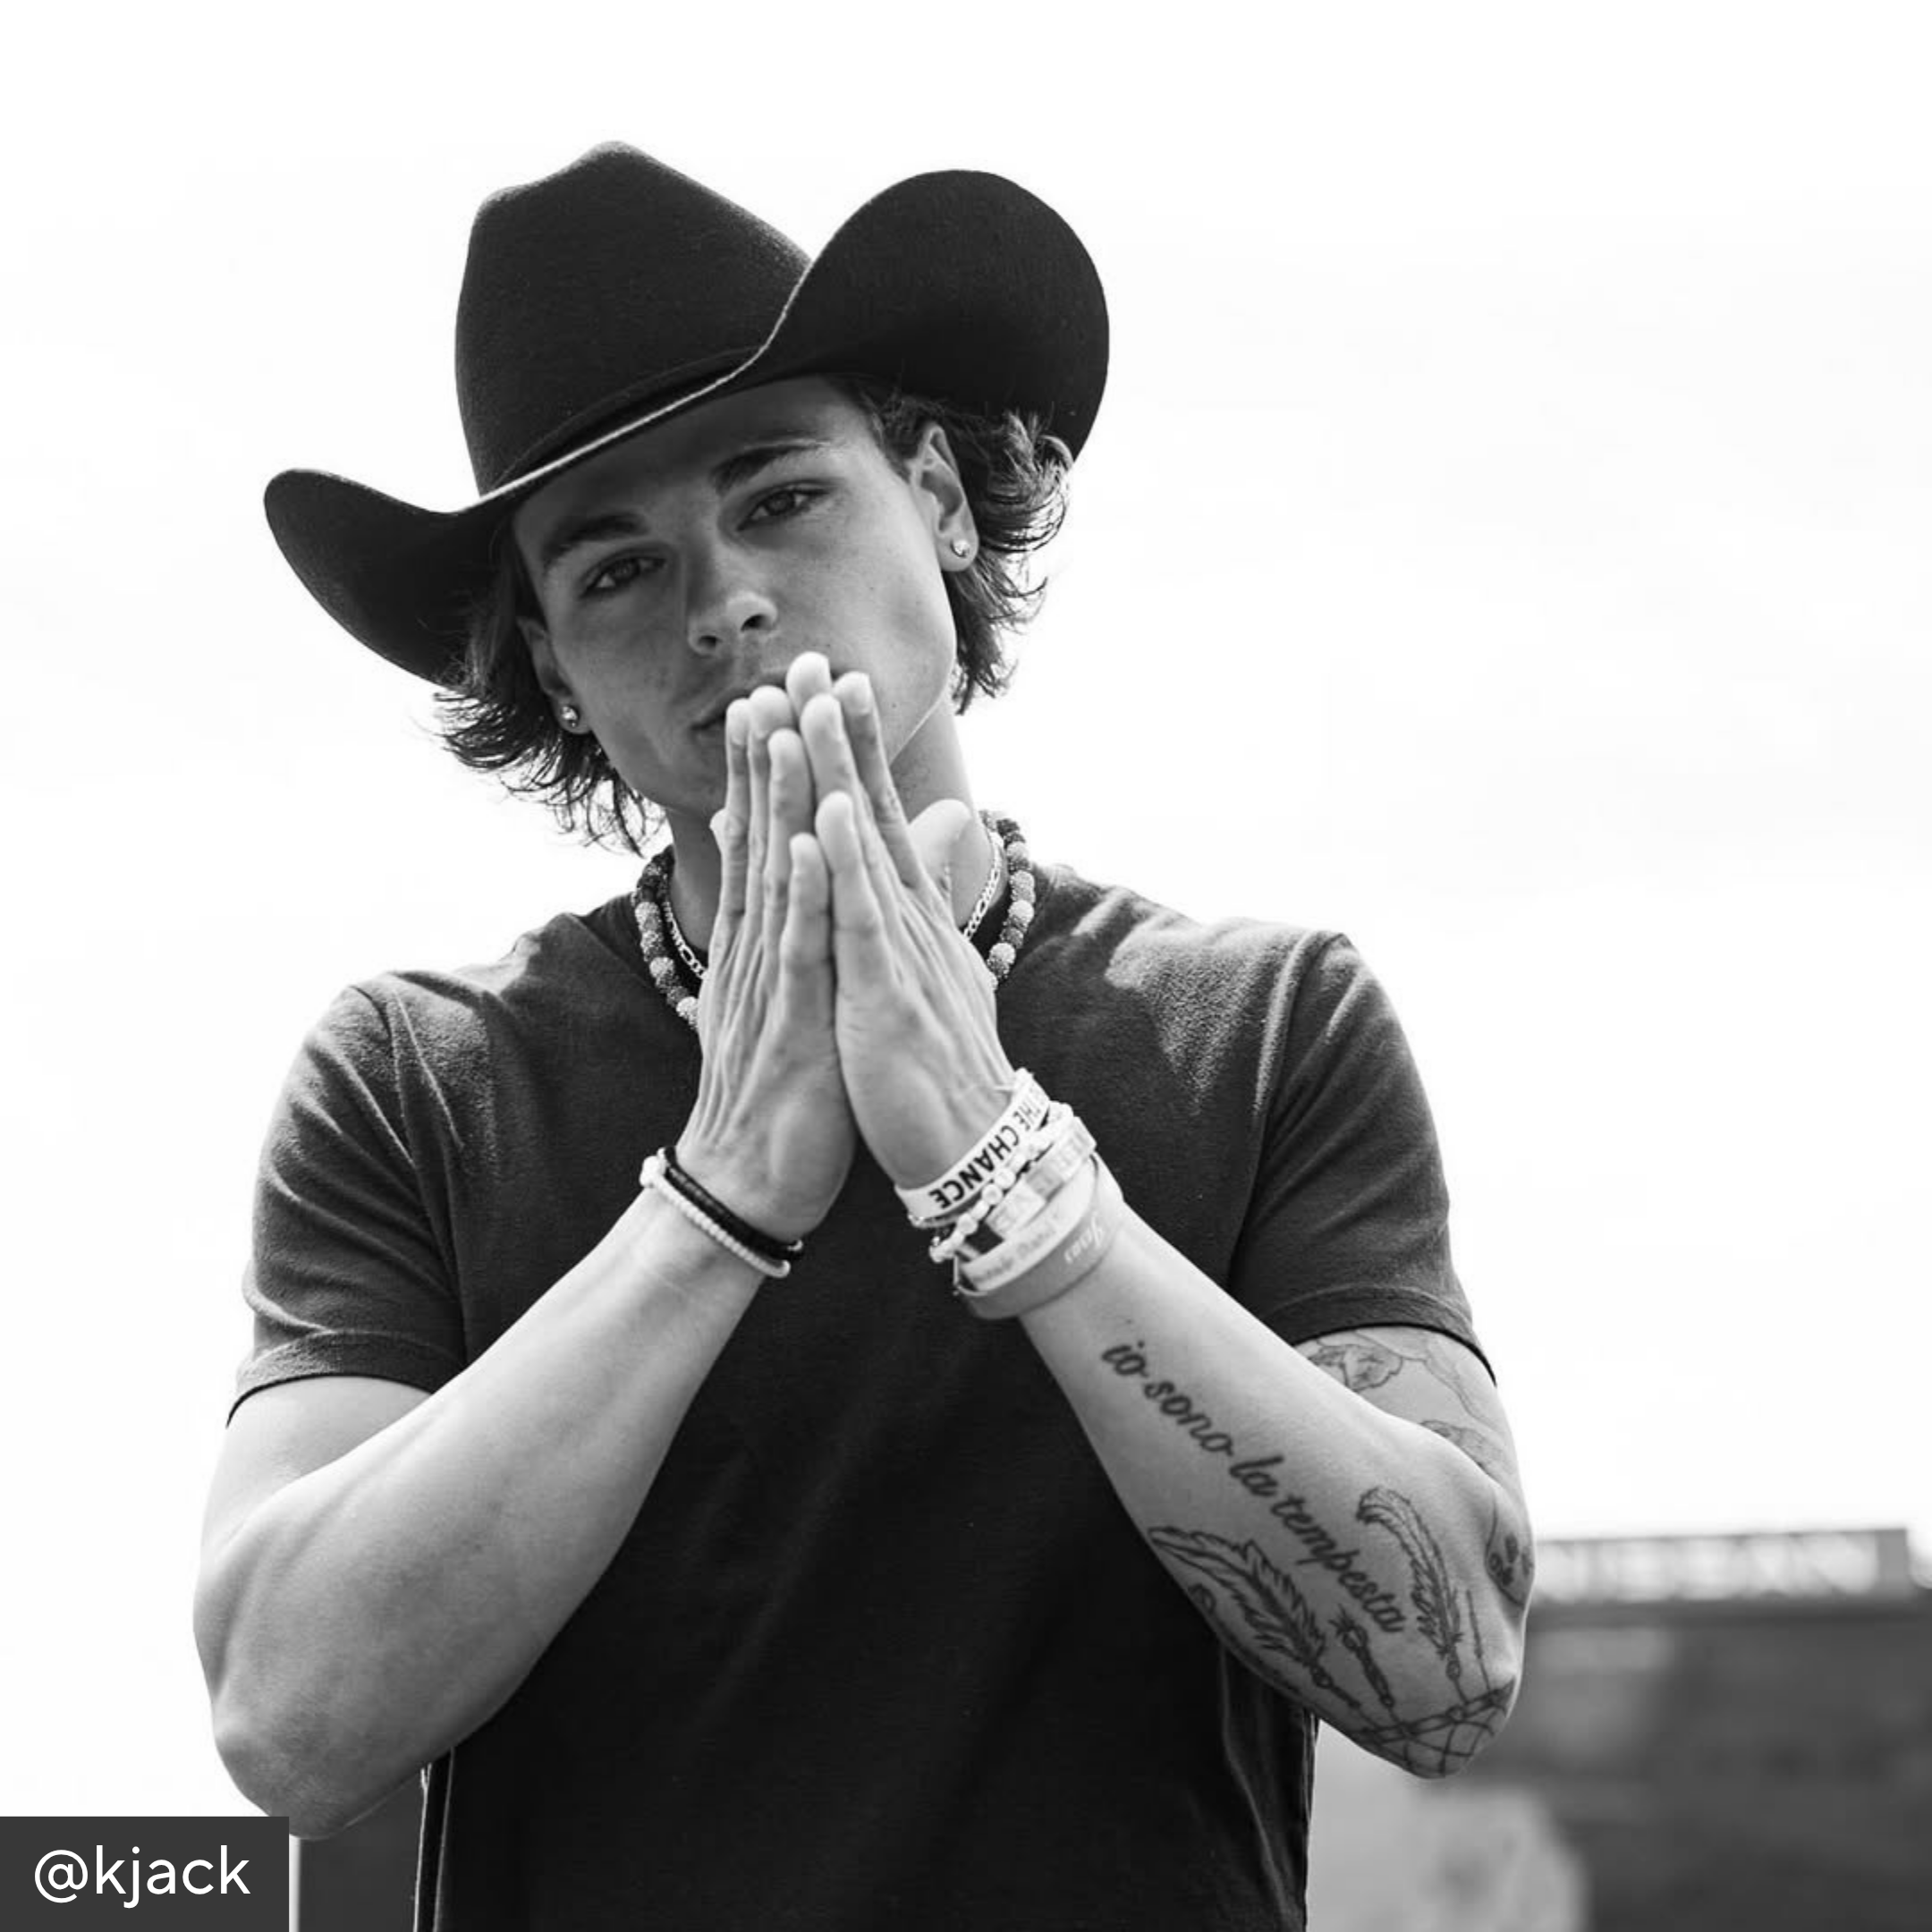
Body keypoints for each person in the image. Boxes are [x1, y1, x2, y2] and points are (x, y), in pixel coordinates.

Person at [193, 143, 1534, 1932]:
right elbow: (291, 1719)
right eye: (613, 570)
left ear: (940, 500)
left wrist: (1005, 1167)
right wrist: (721, 1195)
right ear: (554, 667)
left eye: (782, 496)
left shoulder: (1257, 1028)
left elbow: (1439, 1665)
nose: (720, 597)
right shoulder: (423, 1086)